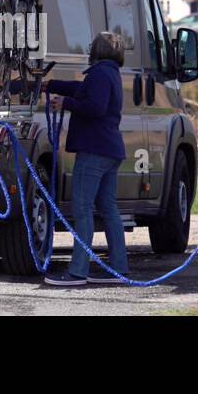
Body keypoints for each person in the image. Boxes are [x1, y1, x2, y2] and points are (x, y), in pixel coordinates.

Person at [42, 32, 128, 287]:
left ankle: (78, 272)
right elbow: (83, 90)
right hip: (110, 150)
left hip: (94, 151)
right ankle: (118, 268)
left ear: (97, 50)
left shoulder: (100, 74)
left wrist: (65, 103)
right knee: (109, 209)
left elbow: (95, 107)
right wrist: (52, 85)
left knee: (82, 209)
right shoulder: (109, 73)